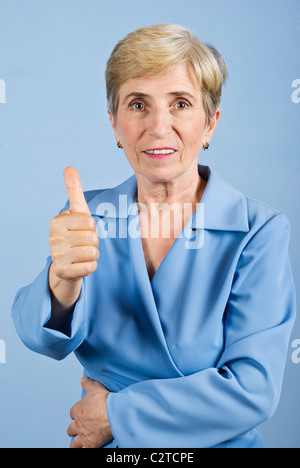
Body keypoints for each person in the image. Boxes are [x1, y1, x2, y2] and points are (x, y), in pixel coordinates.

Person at [12, 24, 296, 448]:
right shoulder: (86, 217)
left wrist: (116, 415)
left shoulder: (258, 232)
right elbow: (39, 338)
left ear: (210, 123)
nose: (159, 127)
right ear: (114, 123)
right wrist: (61, 281)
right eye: (138, 104)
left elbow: (252, 390)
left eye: (181, 104)